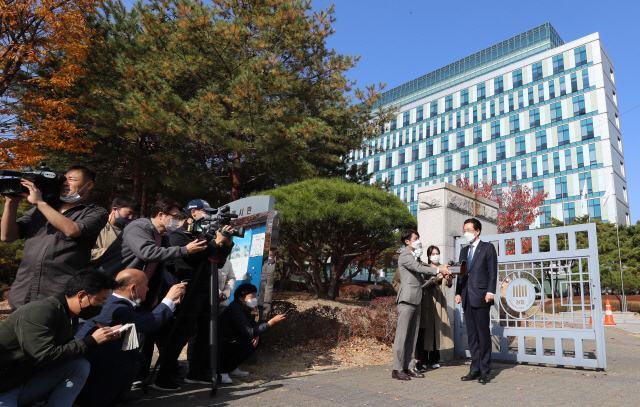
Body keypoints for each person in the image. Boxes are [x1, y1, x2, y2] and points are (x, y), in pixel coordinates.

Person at [0, 269, 122, 406]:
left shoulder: (69, 315)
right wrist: (90, 341)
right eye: (99, 300)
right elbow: (41, 356)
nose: (100, 306)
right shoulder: (40, 311)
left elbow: (64, 355)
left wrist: (99, 340)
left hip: (23, 381)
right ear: (81, 295)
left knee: (78, 366)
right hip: (4, 387)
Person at [1, 164, 109, 310]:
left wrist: (40, 202)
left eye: (72, 179)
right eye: (64, 179)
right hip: (23, 293)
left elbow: (72, 230)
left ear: (89, 185)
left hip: (59, 297)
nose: (65, 183)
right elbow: (7, 236)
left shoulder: (96, 212)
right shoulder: (40, 209)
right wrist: (11, 202)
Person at [154, 199, 235, 391]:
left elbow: (219, 262)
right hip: (189, 288)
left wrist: (226, 243)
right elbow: (189, 259)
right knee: (182, 332)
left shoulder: (204, 235)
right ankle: (164, 375)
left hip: (207, 288)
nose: (208, 215)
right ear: (193, 213)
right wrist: (215, 242)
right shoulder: (178, 235)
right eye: (205, 211)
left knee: (206, 332)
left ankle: (197, 373)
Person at [74, 269, 187, 404]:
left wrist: (168, 304)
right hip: (96, 361)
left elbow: (143, 317)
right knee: (130, 362)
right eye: (146, 285)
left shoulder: (116, 300)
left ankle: (117, 393)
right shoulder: (117, 307)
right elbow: (148, 323)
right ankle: (101, 398)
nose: (148, 289)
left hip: (107, 355)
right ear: (133, 288)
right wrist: (168, 299)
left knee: (137, 359)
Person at [96, 197, 207, 309]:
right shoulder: (140, 226)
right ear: (160, 215)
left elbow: (157, 270)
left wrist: (154, 295)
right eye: (175, 217)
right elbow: (148, 253)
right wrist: (185, 250)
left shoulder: (162, 236)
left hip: (134, 293)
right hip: (111, 288)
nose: (178, 221)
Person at [391, 230, 450, 381]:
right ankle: (397, 369)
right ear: (407, 241)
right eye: (415, 239)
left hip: (417, 299)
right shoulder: (405, 255)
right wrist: (438, 269)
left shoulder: (414, 257)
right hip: (406, 300)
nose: (418, 241)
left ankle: (409, 366)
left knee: (413, 336)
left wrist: (436, 277)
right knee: (402, 336)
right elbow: (419, 269)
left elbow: (420, 281)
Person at [455, 218, 498, 384]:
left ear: (477, 231)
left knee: (483, 335)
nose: (466, 233)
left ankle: (485, 371)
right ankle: (474, 369)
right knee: (472, 336)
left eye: (469, 229)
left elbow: (492, 272)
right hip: (466, 297)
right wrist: (458, 292)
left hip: (481, 296)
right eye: (464, 229)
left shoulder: (487, 248)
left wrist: (490, 291)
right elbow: (461, 273)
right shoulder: (464, 251)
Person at [219, 283, 286, 384]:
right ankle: (222, 371)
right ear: (241, 298)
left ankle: (232, 368)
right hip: (225, 343)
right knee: (248, 343)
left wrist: (256, 334)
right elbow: (249, 331)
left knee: (255, 341)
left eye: (256, 296)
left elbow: (252, 327)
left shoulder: (246, 308)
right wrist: (271, 322)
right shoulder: (236, 310)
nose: (255, 299)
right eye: (252, 296)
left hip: (234, 339)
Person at [417, 245, 454, 371]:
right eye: (432, 254)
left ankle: (434, 359)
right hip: (428, 301)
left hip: (440, 302)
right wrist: (437, 277)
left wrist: (448, 279)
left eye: (437, 253)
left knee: (437, 330)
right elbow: (426, 284)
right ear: (428, 256)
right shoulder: (426, 269)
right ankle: (423, 360)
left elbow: (449, 285)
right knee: (427, 331)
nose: (435, 255)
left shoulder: (444, 267)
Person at [90, 195, 138, 263]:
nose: (131, 217)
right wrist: (113, 252)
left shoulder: (131, 230)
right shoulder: (97, 226)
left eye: (134, 215)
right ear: (114, 209)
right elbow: (83, 253)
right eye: (128, 213)